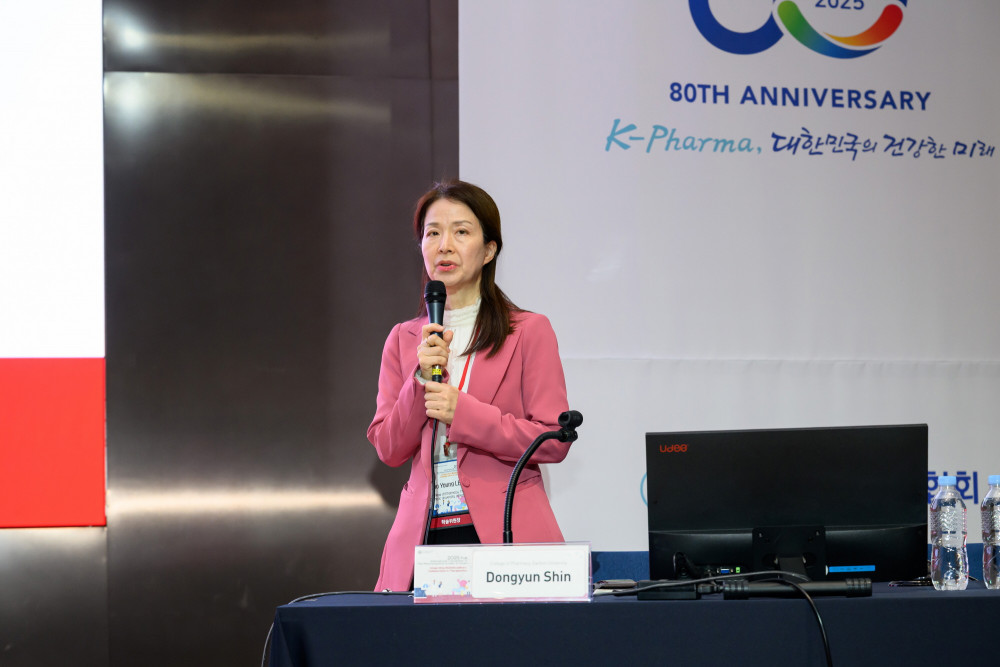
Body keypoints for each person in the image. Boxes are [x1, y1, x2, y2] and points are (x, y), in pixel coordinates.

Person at [368, 180, 572, 591]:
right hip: (424, 539)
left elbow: (553, 439)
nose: (444, 246)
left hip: (506, 535)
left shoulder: (528, 332)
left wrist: (463, 413)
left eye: (461, 232)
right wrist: (419, 381)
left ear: (489, 250)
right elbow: (389, 448)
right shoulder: (404, 339)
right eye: (432, 233)